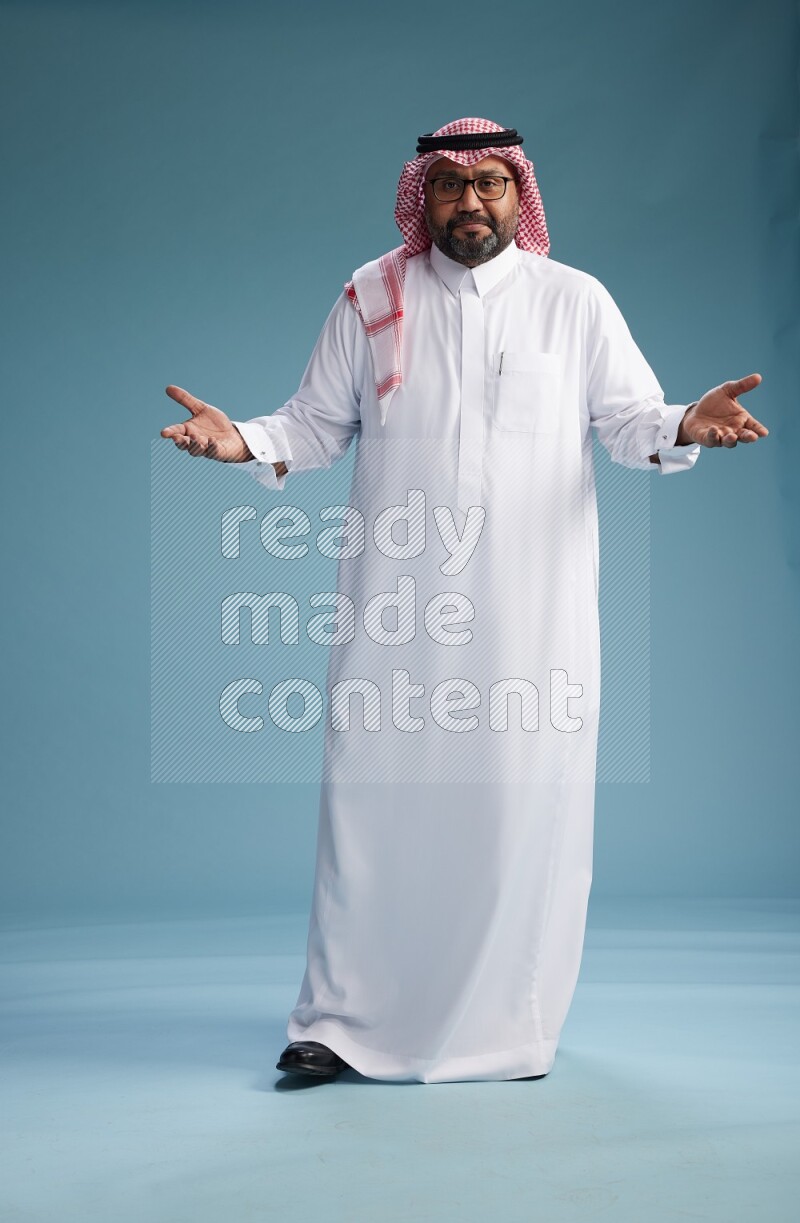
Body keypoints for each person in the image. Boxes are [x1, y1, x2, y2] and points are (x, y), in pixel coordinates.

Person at [161, 117, 768, 1084]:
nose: (471, 201)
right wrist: (239, 437)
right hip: (395, 612)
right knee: (371, 808)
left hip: (532, 613)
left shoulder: (574, 302)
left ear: (517, 195)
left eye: (490, 183)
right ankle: (337, 1023)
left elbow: (629, 421)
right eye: (450, 185)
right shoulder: (371, 294)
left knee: (519, 812)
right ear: (423, 197)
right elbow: (315, 422)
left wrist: (688, 421)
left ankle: (508, 1026)